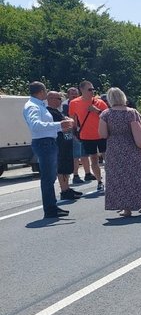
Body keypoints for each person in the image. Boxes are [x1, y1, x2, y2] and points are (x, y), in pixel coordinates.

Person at [23, 81, 75, 218]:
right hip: (43, 143)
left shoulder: (38, 105)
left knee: (50, 177)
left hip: (47, 142)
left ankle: (52, 206)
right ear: (41, 92)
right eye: (45, 91)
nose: (46, 94)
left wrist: (59, 126)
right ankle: (50, 208)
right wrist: (59, 124)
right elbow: (36, 125)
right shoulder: (33, 106)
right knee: (48, 178)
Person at [98, 87, 141, 217]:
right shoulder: (132, 112)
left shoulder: (106, 114)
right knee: (138, 176)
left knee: (119, 177)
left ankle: (126, 208)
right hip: (133, 146)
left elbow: (103, 134)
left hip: (115, 149)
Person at [68, 80, 108, 192]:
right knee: (93, 159)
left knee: (107, 158)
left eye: (93, 89)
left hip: (102, 134)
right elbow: (73, 119)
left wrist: (97, 111)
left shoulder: (99, 102)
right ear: (82, 90)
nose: (92, 91)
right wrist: (74, 132)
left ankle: (111, 179)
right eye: (89, 89)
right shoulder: (74, 103)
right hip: (87, 136)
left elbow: (108, 117)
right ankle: (99, 181)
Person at [45, 91, 84, 201]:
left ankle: (67, 188)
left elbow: (69, 122)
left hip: (66, 142)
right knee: (62, 167)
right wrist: (69, 121)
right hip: (60, 144)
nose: (60, 101)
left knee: (67, 166)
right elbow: (66, 124)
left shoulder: (58, 112)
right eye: (58, 99)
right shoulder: (51, 112)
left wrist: (69, 121)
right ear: (51, 99)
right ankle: (64, 190)